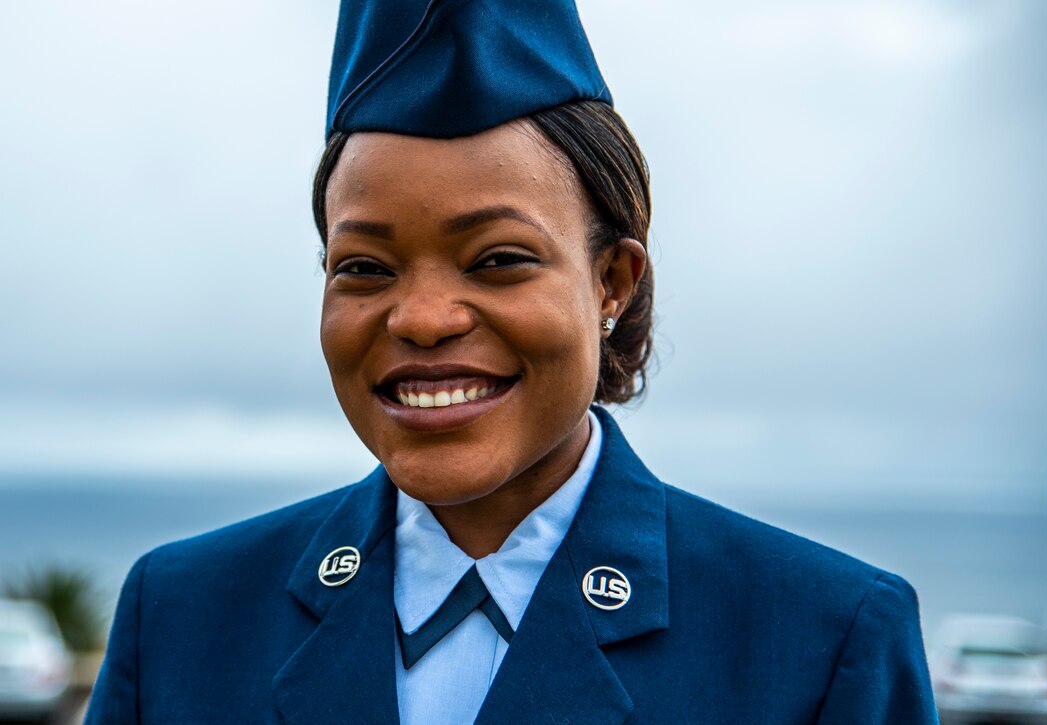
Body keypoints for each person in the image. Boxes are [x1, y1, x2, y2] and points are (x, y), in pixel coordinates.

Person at [86, 1, 940, 722]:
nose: (421, 318)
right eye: (364, 268)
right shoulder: (179, 620)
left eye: (498, 259)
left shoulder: (825, 642)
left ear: (612, 281)